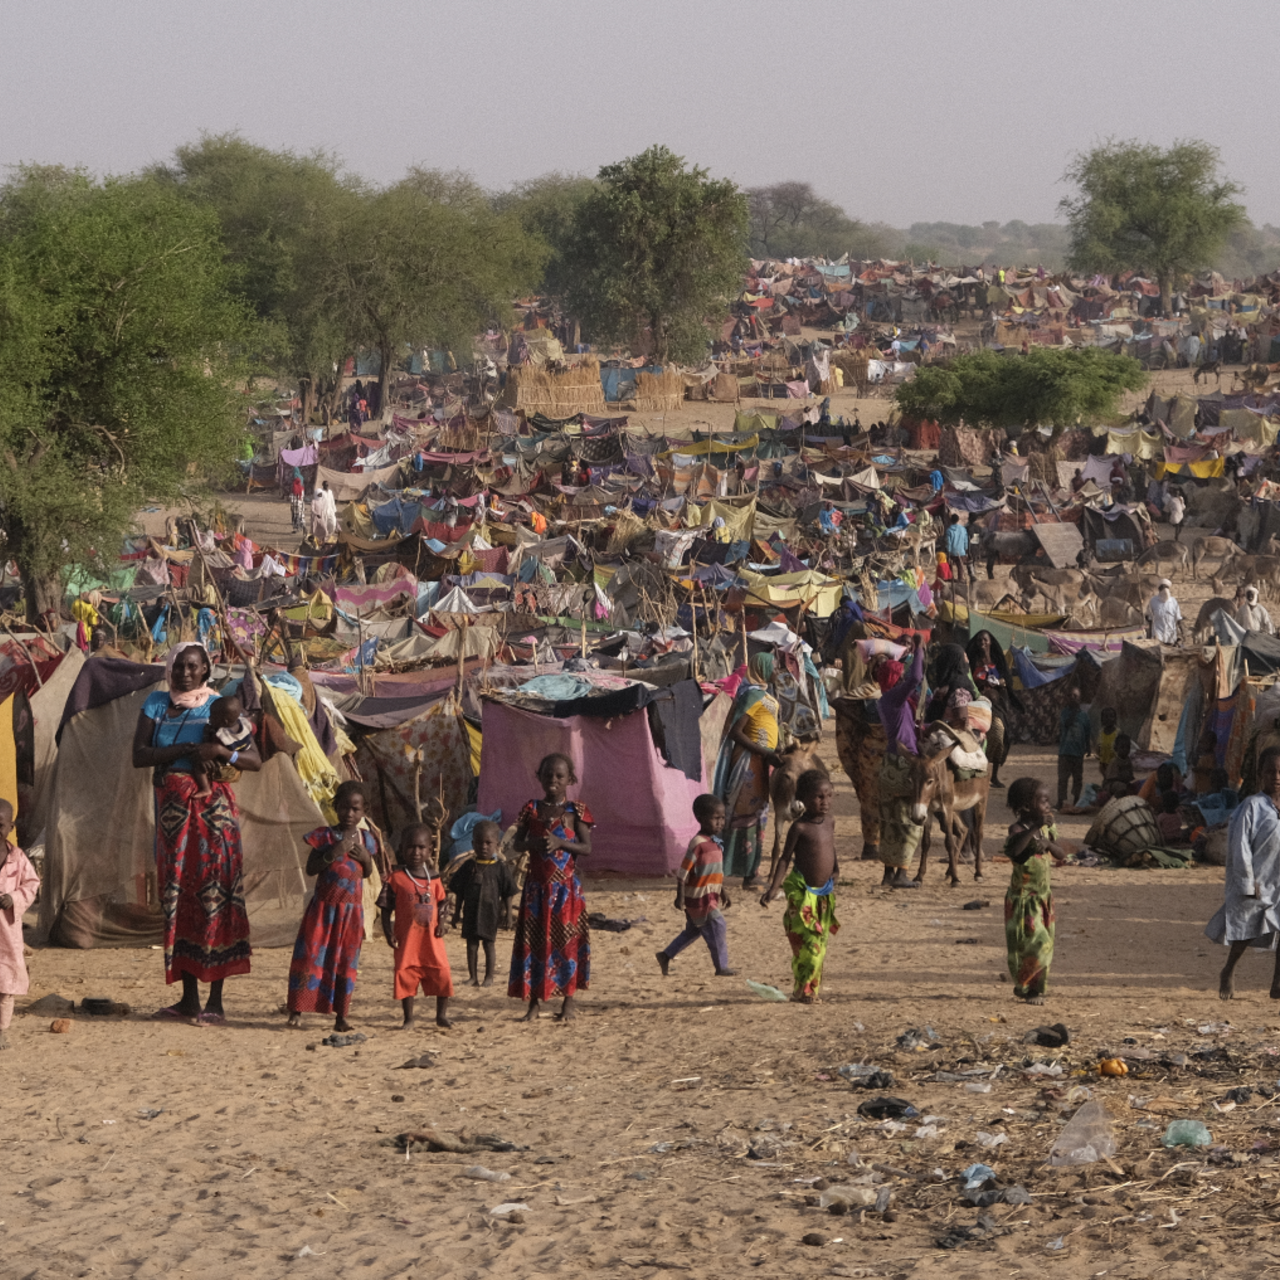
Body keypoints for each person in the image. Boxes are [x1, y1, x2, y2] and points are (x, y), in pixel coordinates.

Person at [132, 642, 261, 1025]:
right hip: (172, 816)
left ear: (206, 668)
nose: (185, 673)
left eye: (193, 666)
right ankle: (189, 999)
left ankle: (216, 1002)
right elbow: (138, 755)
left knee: (216, 896)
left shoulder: (219, 706)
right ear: (170, 669)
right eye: (179, 667)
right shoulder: (156, 704)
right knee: (178, 898)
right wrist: (189, 748)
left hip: (214, 817)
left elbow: (253, 759)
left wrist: (222, 754)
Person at [509, 753, 594, 1022]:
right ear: (539, 777)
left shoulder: (576, 812)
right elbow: (517, 844)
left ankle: (568, 1002)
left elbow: (586, 848)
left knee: (566, 944)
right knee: (534, 945)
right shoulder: (531, 809)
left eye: (559, 776)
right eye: (548, 775)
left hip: (566, 891)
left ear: (570, 779)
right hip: (536, 891)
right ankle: (534, 1003)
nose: (553, 780)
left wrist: (561, 844)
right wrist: (535, 843)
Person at [287, 781, 375, 1032]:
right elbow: (311, 869)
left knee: (346, 962)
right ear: (335, 807)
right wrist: (333, 853)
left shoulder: (367, 840)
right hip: (324, 910)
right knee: (310, 959)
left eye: (355, 809)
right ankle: (297, 1009)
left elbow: (367, 872)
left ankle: (341, 1016)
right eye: (344, 808)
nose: (350, 814)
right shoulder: (324, 836)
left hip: (351, 913)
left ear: (363, 811)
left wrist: (366, 859)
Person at [760, 770, 839, 1003]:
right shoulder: (800, 828)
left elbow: (830, 848)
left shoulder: (830, 822)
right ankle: (803, 991)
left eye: (829, 796)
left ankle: (806, 991)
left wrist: (836, 869)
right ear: (803, 799)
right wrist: (774, 887)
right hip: (802, 893)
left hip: (824, 894)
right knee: (808, 945)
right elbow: (785, 858)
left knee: (820, 944)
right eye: (818, 797)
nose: (825, 802)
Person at [1207, 746, 1280, 1000]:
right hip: (1260, 879)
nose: (1277, 777)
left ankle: (1277, 983)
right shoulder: (1252, 807)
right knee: (1248, 929)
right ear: (1261, 774)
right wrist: (1248, 881)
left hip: (1279, 879)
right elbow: (1240, 846)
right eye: (1271, 771)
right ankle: (1228, 969)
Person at [712, 652, 783, 889]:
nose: (777, 670)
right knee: (747, 816)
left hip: (763, 761)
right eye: (773, 666)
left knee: (758, 816)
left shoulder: (763, 694)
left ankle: (750, 870)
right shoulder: (751, 696)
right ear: (761, 668)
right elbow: (735, 731)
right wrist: (765, 753)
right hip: (749, 764)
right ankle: (747, 874)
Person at [381, 823, 453, 1027]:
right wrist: (388, 932)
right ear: (402, 849)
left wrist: (442, 922)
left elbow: (443, 903)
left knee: (441, 973)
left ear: (429, 850)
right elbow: (385, 908)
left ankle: (441, 1015)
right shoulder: (396, 878)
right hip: (407, 940)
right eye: (411, 847)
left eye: (421, 847)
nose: (416, 852)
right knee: (406, 975)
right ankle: (409, 1018)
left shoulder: (435, 878)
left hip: (432, 940)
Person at [656, 794, 735, 978]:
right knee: (718, 925)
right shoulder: (698, 844)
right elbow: (683, 872)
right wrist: (680, 896)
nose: (720, 822)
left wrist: (723, 892)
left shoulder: (715, 844)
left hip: (710, 895)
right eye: (716, 818)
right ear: (701, 818)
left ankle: (666, 955)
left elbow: (714, 874)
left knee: (693, 931)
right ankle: (721, 966)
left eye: (722, 818)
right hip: (699, 898)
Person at [1003, 777, 1067, 1004]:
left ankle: (1036, 986)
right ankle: (1029, 989)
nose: (1048, 806)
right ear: (1027, 806)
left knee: (1045, 944)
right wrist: (1036, 828)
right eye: (1043, 801)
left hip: (1042, 898)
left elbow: (1061, 855)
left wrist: (1048, 843)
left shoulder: (1048, 830)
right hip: (1023, 900)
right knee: (1034, 944)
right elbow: (1016, 854)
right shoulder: (1018, 830)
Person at [877, 634, 926, 888]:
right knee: (909, 820)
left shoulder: (887, 702)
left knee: (889, 819)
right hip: (904, 765)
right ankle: (902, 873)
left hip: (889, 763)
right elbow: (916, 677)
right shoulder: (895, 700)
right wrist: (918, 649)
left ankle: (888, 874)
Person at [449, 820, 517, 987]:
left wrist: (508, 915)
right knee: (471, 945)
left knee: (488, 944)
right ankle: (473, 977)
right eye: (479, 842)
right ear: (473, 843)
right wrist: (457, 913)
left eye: (488, 843)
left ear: (497, 844)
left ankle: (489, 977)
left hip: (490, 912)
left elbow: (508, 893)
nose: (484, 847)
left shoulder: (500, 868)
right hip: (470, 912)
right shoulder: (468, 866)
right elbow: (459, 892)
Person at [0, 800, 38, 1049]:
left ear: (11, 826)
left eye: (0, 824)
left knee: (5, 987)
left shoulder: (18, 857)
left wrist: (12, 898)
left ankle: (1, 1029)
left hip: (6, 932)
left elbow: (32, 884)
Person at [967, 630, 1019, 789]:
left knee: (998, 733)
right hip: (977, 704)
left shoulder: (997, 660)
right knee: (976, 738)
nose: (982, 642)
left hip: (996, 706)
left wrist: (1000, 682)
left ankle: (994, 775)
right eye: (979, 640)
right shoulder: (972, 661)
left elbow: (1008, 681)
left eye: (985, 640)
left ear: (990, 642)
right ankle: (979, 773)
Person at [192, 693, 255, 799]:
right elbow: (253, 728)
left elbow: (211, 747)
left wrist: (206, 732)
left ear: (224, 721)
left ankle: (205, 788)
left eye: (212, 716)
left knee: (198, 764)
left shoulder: (221, 736)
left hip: (221, 766)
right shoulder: (243, 726)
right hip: (234, 767)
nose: (210, 718)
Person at [1056, 685, 1091, 813]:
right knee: (1063, 778)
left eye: (1075, 696)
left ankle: (1076, 799)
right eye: (1070, 696)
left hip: (1078, 753)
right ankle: (1060, 801)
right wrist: (1075, 712)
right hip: (1065, 752)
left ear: (1080, 698)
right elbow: (1067, 723)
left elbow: (1087, 733)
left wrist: (1088, 747)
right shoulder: (1065, 713)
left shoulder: (1084, 716)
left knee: (1077, 778)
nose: (1072, 698)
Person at [1098, 733, 1135, 803]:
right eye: (1122, 747)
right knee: (1121, 787)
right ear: (1116, 748)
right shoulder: (1115, 761)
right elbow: (1111, 778)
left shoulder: (1128, 760)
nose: (1125, 750)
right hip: (1111, 784)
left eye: (1128, 747)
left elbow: (1130, 775)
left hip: (1124, 782)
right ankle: (1115, 802)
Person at [1146, 579, 1183, 645]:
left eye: (1166, 588)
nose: (1164, 590)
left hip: (1171, 635)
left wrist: (1182, 633)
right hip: (1157, 635)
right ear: (1159, 590)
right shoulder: (1153, 601)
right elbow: (1150, 620)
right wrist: (1149, 635)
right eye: (1162, 588)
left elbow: (1178, 619)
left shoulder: (1174, 601)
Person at [944, 515, 970, 582]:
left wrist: (948, 552)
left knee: (950, 566)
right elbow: (965, 540)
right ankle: (960, 579)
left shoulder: (949, 530)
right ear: (958, 520)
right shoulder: (963, 529)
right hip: (961, 552)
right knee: (960, 566)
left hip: (952, 552)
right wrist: (966, 549)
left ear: (950, 520)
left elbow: (948, 543)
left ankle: (951, 579)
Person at [1097, 707, 1119, 780]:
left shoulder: (1118, 733)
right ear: (1102, 719)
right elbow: (1099, 746)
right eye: (1105, 717)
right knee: (1106, 780)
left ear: (1115, 719)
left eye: (1111, 716)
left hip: (1114, 764)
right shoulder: (1101, 733)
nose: (1108, 719)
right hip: (1103, 764)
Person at [289, 467, 306, 533]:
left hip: (294, 503)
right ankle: (302, 526)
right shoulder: (301, 481)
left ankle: (296, 528)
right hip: (300, 502)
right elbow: (302, 496)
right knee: (301, 514)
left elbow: (291, 496)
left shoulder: (293, 483)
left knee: (295, 515)